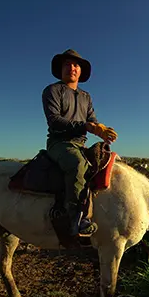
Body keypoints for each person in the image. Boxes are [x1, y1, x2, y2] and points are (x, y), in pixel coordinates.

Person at [42, 49, 118, 237]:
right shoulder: (52, 90)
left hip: (80, 143)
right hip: (59, 143)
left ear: (81, 71)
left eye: (76, 65)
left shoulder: (86, 97)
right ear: (61, 69)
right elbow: (55, 121)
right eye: (67, 64)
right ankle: (75, 217)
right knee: (77, 163)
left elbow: (92, 119)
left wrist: (102, 130)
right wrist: (88, 126)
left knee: (107, 161)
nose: (72, 68)